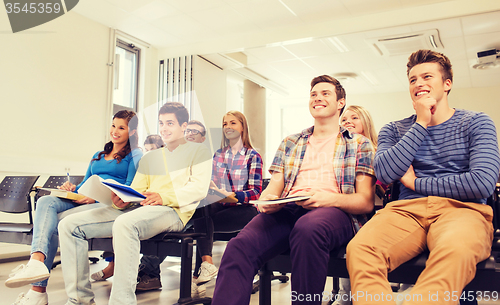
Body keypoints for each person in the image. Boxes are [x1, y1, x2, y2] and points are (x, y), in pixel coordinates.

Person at [346, 49, 500, 305]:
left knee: (455, 252)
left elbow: (481, 182)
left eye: (427, 76)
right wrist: (420, 123)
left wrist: (416, 183)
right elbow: (385, 172)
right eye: (413, 79)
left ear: (447, 84)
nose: (419, 84)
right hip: (405, 211)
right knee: (360, 250)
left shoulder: (477, 122)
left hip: (463, 210)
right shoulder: (395, 129)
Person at [211, 75, 376, 305]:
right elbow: (274, 187)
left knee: (308, 229)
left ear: (341, 103)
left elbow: (365, 202)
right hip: (289, 208)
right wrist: (268, 201)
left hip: (334, 211)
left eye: (325, 93)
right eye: (313, 94)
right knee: (238, 247)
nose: (317, 97)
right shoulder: (291, 142)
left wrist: (327, 199)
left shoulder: (359, 144)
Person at [58, 102, 211, 305]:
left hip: (173, 211)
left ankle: (122, 301)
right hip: (141, 209)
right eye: (161, 123)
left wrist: (163, 198)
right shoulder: (151, 158)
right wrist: (123, 200)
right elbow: (137, 190)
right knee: (68, 225)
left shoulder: (199, 152)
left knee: (125, 224)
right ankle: (80, 300)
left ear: (184, 126)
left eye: (170, 123)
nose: (164, 128)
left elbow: (198, 189)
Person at [5, 110, 142, 305]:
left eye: (122, 128)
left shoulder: (134, 155)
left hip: (105, 203)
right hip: (84, 198)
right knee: (45, 201)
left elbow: (128, 189)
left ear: (133, 131)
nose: (115, 131)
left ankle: (38, 292)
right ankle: (37, 261)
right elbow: (84, 184)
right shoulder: (98, 155)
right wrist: (72, 189)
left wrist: (93, 199)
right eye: (113, 126)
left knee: (51, 225)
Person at [192, 111, 263, 298]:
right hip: (218, 207)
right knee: (201, 203)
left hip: (242, 209)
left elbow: (255, 192)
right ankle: (207, 263)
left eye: (233, 123)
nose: (228, 127)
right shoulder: (218, 155)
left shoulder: (252, 156)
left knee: (203, 225)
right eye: (225, 124)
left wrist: (232, 195)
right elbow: (211, 183)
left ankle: (199, 274)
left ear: (242, 127)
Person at [135, 120, 208, 291]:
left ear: (203, 138)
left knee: (196, 216)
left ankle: (149, 270)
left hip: (192, 209)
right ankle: (149, 271)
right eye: (188, 130)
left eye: (195, 132)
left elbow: (197, 189)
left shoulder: (202, 156)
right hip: (170, 204)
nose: (190, 134)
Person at [90, 134, 166, 283]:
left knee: (137, 223)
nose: (149, 153)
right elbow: (137, 187)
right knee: (118, 217)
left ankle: (148, 270)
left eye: (153, 150)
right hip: (141, 202)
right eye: (147, 150)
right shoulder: (145, 164)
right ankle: (114, 264)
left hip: (158, 206)